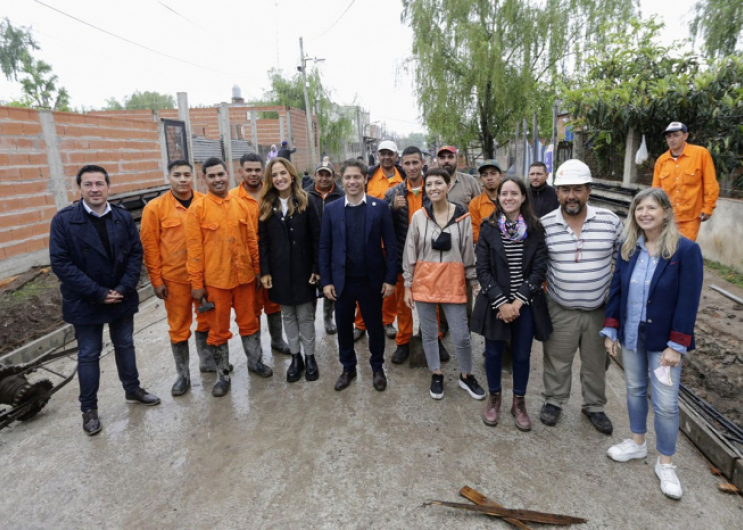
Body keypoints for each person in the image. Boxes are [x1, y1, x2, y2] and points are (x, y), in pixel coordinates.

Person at [601, 188, 703, 500]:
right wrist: (611, 329)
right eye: (639, 209)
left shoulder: (685, 251)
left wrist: (677, 345)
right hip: (632, 334)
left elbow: (688, 301)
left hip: (665, 342)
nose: (645, 214)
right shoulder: (629, 248)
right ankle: (636, 442)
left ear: (666, 212)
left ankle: (666, 463)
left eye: (652, 208)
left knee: (666, 404)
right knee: (633, 389)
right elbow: (617, 289)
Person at [50, 165, 160, 436]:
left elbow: (136, 253)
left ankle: (132, 389)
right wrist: (98, 292)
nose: (94, 189)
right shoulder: (64, 221)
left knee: (125, 344)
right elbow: (61, 263)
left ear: (108, 187)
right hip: (85, 300)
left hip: (121, 295)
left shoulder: (121, 217)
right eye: (88, 184)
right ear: (80, 189)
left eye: (99, 183)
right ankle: (89, 410)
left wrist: (123, 287)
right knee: (88, 355)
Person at [539, 159, 623, 434]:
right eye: (565, 190)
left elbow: (623, 264)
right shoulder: (544, 225)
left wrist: (616, 307)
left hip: (598, 309)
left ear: (589, 191)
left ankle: (594, 406)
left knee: (596, 363)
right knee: (556, 358)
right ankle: (554, 400)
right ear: (557, 194)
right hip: (560, 307)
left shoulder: (610, 222)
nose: (571, 195)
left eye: (577, 189)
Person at [471, 177, 551, 430]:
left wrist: (517, 303)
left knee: (521, 355)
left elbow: (540, 269)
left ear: (523, 197)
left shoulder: (535, 229)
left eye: (514, 193)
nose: (508, 198)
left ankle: (519, 401)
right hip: (497, 302)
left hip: (524, 303)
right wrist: (502, 303)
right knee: (493, 353)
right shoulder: (489, 227)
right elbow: (482, 269)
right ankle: (494, 398)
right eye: (504, 193)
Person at [186, 157, 267, 398]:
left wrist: (257, 271)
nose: (217, 179)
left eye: (220, 174)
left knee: (250, 323)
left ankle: (256, 362)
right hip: (215, 282)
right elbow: (194, 251)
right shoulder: (197, 210)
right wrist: (197, 285)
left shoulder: (240, 205)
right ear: (204, 179)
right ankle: (223, 374)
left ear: (228, 173)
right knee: (218, 330)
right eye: (211, 176)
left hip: (244, 278)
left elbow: (252, 241)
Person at [402, 168, 485, 401]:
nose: (434, 188)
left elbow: (468, 252)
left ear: (448, 186)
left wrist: (474, 281)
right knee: (429, 333)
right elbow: (411, 251)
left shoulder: (463, 217)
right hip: (424, 284)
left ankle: (466, 375)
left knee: (461, 335)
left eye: (439, 183)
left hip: (453, 283)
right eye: (429, 184)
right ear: (425, 189)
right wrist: (408, 284)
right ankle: (436, 373)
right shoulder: (419, 217)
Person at [319, 159, 397, 392]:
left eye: (356, 177)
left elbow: (391, 246)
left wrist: (390, 278)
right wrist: (326, 281)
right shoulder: (332, 209)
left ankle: (377, 368)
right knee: (343, 327)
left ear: (365, 179)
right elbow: (324, 246)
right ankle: (348, 368)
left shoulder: (379, 207)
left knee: (374, 326)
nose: (352, 181)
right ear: (341, 180)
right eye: (347, 177)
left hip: (371, 281)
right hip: (342, 282)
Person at [141, 160, 209, 396]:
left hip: (203, 277)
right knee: (179, 328)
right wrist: (156, 281)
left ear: (193, 177)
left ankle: (207, 361)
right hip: (175, 279)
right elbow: (150, 247)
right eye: (177, 175)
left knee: (207, 320)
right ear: (168, 177)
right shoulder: (155, 208)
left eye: (187, 175)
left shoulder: (204, 202)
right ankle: (183, 375)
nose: (182, 179)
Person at [259, 158, 321, 383]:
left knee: (305, 315)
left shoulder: (306, 201)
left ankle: (310, 356)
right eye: (274, 175)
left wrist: (317, 267)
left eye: (283, 173)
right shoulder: (266, 204)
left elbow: (317, 238)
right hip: (279, 272)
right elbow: (262, 242)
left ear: (292, 175)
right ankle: (296, 358)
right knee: (287, 315)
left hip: (304, 270)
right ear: (270, 179)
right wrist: (265, 271)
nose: (279, 178)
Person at [385, 146, 449, 364]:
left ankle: (434, 338)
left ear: (423, 163)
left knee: (433, 302)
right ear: (400, 165)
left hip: (431, 256)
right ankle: (403, 342)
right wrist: (391, 209)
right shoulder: (392, 193)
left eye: (415, 162)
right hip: (404, 257)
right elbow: (382, 226)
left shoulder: (433, 190)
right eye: (407, 163)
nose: (411, 167)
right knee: (403, 304)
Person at [230, 153, 291, 356]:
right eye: (249, 170)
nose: (254, 174)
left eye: (257, 170)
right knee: (251, 308)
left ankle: (277, 340)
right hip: (246, 264)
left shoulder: (272, 193)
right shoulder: (232, 199)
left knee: (274, 303)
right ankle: (255, 354)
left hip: (273, 260)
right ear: (241, 172)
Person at [355, 140, 405, 341]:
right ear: (377, 155)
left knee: (391, 283)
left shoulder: (404, 178)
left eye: (390, 153)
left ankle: (386, 320)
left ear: (396, 156)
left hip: (395, 239)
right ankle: (361, 323)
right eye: (382, 153)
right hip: (370, 240)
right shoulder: (369, 176)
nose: (386, 157)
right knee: (363, 282)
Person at [652, 122, 719, 241]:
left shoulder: (700, 154)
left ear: (686, 136)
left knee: (682, 251)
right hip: (666, 217)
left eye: (676, 135)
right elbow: (656, 190)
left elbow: (710, 183)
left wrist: (708, 207)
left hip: (690, 217)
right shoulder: (661, 161)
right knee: (664, 250)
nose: (672, 139)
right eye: (669, 136)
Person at [306, 161, 344, 334]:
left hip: (333, 247)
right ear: (315, 176)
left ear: (333, 177)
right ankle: (309, 320)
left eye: (327, 174)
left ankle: (328, 318)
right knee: (310, 285)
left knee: (331, 283)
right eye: (320, 174)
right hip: (310, 247)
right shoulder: (305, 195)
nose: (323, 178)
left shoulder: (341, 195)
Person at [436, 145, 481, 210]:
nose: (446, 160)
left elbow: (479, 207)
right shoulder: (431, 183)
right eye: (442, 158)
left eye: (450, 157)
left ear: (456, 159)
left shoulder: (470, 181)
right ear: (438, 160)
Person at [469, 159, 503, 245]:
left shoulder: (510, 199)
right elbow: (474, 231)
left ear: (501, 176)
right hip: (487, 250)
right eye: (485, 175)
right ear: (481, 179)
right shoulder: (475, 203)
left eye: (493, 173)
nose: (489, 178)